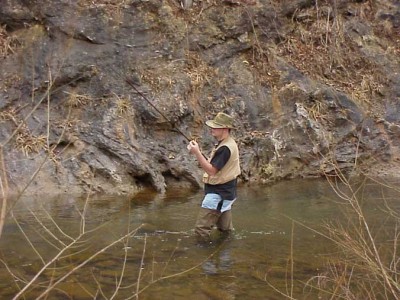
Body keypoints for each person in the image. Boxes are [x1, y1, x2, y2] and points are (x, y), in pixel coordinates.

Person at [187, 112, 241, 242]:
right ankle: (225, 258)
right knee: (225, 230)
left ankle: (206, 258)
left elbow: (211, 171)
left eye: (215, 126)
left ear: (225, 129)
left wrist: (197, 153)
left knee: (201, 230)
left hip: (218, 194)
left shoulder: (225, 148)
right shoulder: (228, 143)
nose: (212, 129)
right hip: (227, 193)